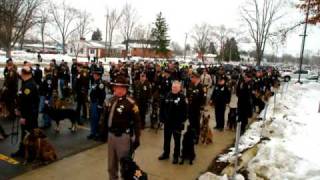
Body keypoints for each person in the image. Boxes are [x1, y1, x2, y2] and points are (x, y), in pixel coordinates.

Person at [100, 76, 141, 180]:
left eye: (121, 88)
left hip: (123, 138)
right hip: (111, 137)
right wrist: (103, 131)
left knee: (125, 166)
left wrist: (137, 138)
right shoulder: (111, 100)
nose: (118, 90)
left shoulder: (131, 103)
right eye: (116, 87)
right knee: (111, 165)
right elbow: (105, 117)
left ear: (125, 89)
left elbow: (137, 122)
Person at [11, 66, 40, 158]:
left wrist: (23, 116)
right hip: (30, 114)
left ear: (24, 74)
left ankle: (27, 153)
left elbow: (28, 103)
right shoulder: (28, 83)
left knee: (28, 134)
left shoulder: (29, 86)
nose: (20, 75)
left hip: (28, 115)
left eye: (21, 74)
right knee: (27, 134)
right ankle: (25, 151)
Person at [158, 81, 187, 164]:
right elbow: (162, 108)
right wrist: (161, 118)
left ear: (179, 88)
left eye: (176, 87)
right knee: (166, 139)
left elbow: (185, 111)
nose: (174, 88)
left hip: (177, 123)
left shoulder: (182, 98)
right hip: (167, 122)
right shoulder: (167, 95)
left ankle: (176, 156)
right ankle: (166, 153)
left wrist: (182, 121)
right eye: (173, 87)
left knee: (177, 141)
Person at [186, 72, 205, 144]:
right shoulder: (191, 84)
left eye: (192, 77)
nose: (191, 78)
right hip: (190, 106)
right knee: (191, 121)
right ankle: (191, 135)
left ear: (196, 78)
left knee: (196, 122)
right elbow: (188, 93)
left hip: (197, 107)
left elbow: (203, 98)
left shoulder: (201, 86)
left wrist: (201, 107)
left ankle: (196, 137)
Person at [87, 70, 106, 140]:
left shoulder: (101, 84)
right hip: (93, 102)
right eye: (93, 74)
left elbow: (102, 95)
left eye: (95, 75)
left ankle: (97, 134)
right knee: (92, 118)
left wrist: (100, 104)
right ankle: (93, 133)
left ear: (98, 75)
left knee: (97, 119)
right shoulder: (95, 82)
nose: (93, 75)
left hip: (97, 103)